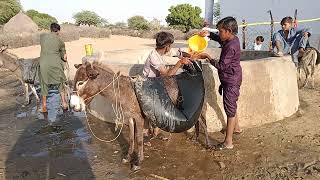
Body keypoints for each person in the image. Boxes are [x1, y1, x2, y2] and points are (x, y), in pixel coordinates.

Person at [195, 16, 242, 150]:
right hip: (231, 78)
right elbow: (219, 38)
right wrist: (209, 34)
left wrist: (207, 57)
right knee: (231, 104)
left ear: (228, 31)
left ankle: (228, 142)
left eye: (220, 31)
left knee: (230, 110)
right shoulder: (232, 39)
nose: (219, 33)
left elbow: (221, 66)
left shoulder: (230, 47)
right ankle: (236, 128)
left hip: (231, 79)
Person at [143, 31, 191, 139]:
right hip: (149, 85)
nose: (171, 48)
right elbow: (166, 75)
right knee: (152, 108)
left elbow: (177, 53)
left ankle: (156, 131)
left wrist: (190, 55)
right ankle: (146, 132)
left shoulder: (162, 52)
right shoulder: (153, 57)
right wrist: (180, 63)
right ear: (167, 46)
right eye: (170, 46)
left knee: (160, 107)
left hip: (157, 83)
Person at [39, 23, 68, 113]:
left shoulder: (42, 37)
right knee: (60, 83)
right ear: (58, 31)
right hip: (56, 64)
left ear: (50, 29)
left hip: (43, 64)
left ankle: (44, 106)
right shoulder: (60, 41)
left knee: (44, 84)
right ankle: (64, 103)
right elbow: (64, 57)